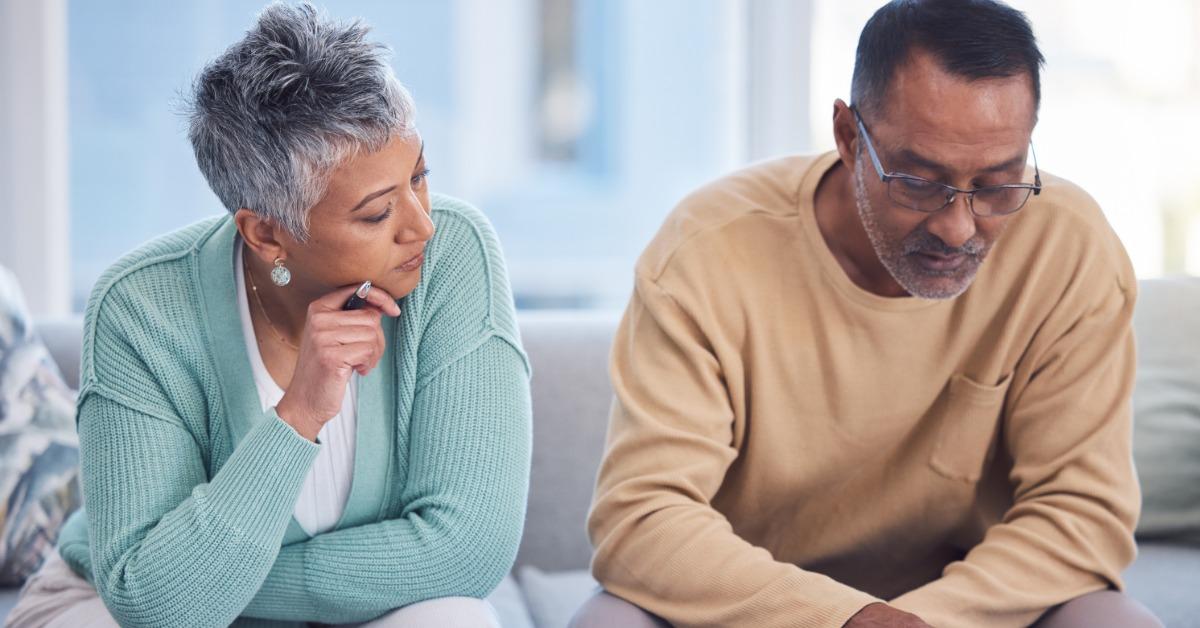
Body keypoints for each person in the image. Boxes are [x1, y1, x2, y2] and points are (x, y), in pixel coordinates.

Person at [571, 1, 1163, 627]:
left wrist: (920, 622)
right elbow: (641, 518)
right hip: (750, 609)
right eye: (919, 181)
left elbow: (1081, 515)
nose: (959, 227)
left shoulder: (1069, 248)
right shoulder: (705, 253)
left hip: (968, 613)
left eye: (997, 184)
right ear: (850, 139)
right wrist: (851, 620)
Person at [6, 4, 530, 627]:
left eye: (420, 178)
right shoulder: (139, 310)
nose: (423, 224)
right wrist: (298, 415)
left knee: (455, 619)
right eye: (376, 213)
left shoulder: (453, 256)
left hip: (356, 610)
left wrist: (215, 584)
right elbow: (152, 608)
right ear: (266, 235)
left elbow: (467, 551)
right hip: (117, 612)